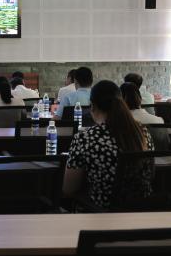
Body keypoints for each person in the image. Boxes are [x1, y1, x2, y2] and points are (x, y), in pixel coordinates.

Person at [63, 80, 154, 210]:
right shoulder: (143, 132)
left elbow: (69, 189)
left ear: (92, 106)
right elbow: (150, 175)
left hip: (99, 213)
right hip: (139, 212)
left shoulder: (85, 138)